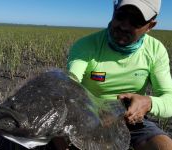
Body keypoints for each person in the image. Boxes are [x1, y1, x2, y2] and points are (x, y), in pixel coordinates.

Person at [67, 0, 172, 149]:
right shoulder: (86, 45)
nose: (123, 26)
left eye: (136, 21)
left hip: (130, 118)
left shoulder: (155, 50)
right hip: (87, 116)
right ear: (113, 10)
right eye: (120, 15)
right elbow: (70, 84)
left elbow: (169, 99)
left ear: (150, 26)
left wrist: (148, 102)